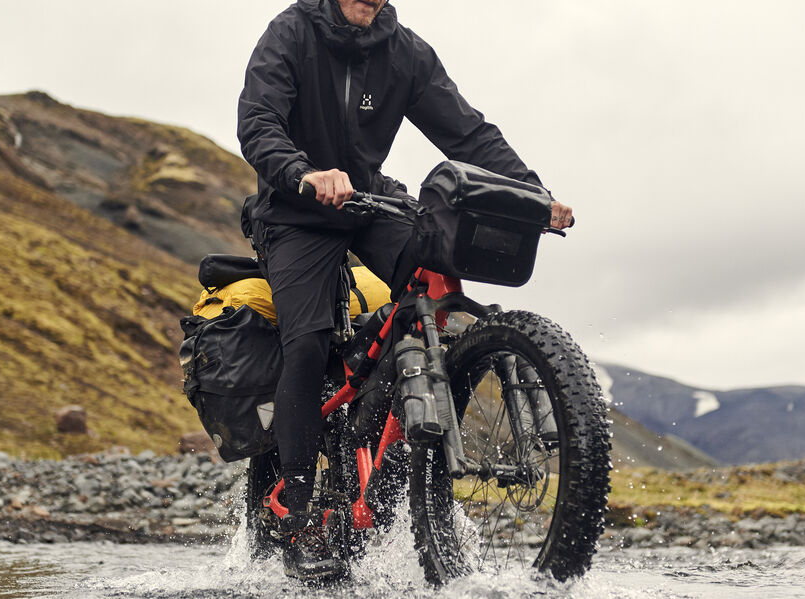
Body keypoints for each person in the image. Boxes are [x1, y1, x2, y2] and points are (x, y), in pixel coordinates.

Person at [237, 0, 573, 582]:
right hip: (294, 209)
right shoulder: (290, 32)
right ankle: (294, 501)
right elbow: (257, 121)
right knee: (310, 340)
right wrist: (301, 171)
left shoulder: (405, 51)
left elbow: (468, 133)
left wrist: (532, 195)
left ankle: (389, 429)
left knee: (437, 279)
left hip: (368, 200)